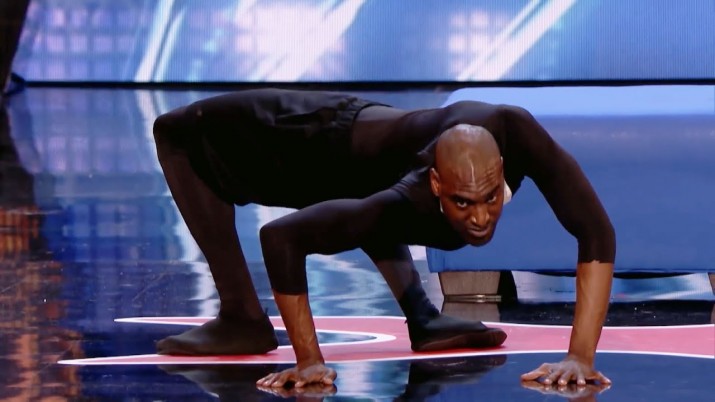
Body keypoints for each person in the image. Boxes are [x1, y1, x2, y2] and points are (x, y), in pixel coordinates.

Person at [152, 88, 615, 389]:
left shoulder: (522, 134)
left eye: (490, 199)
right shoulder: (409, 193)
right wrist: (310, 360)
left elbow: (596, 231)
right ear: (436, 184)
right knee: (175, 130)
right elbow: (281, 238)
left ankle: (425, 320)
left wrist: (580, 356)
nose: (480, 219)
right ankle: (242, 317)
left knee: (376, 203)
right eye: (462, 203)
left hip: (379, 149)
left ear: (501, 169)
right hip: (314, 138)